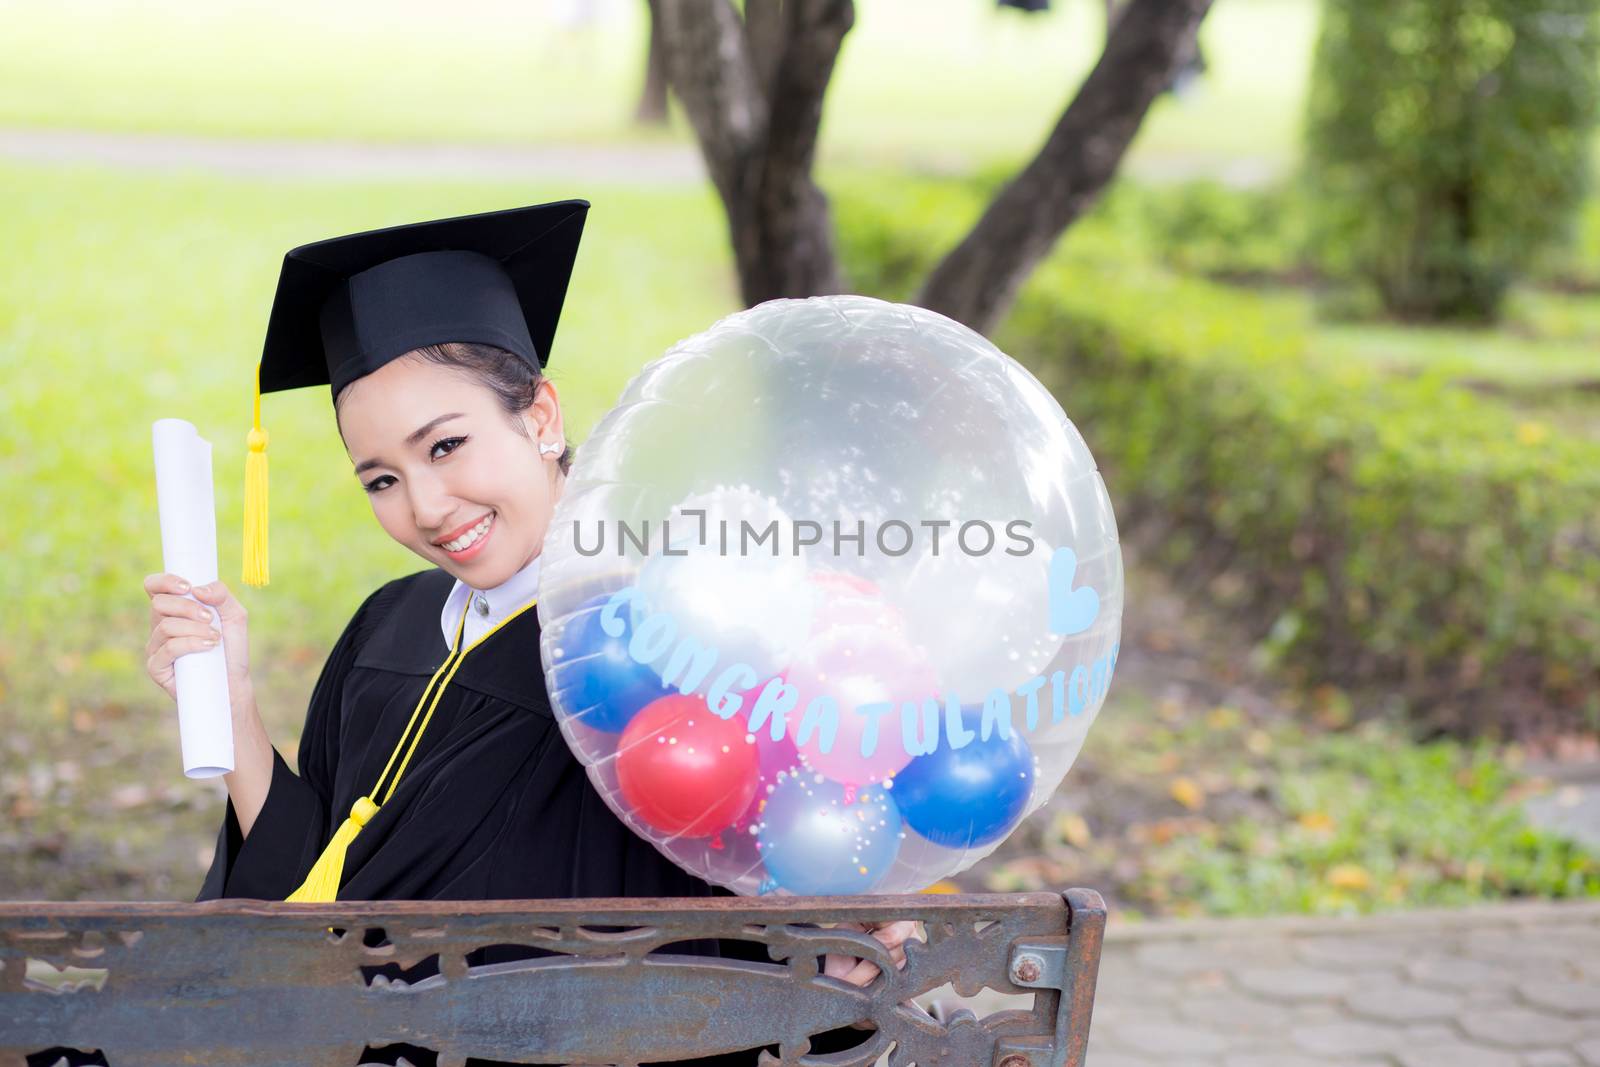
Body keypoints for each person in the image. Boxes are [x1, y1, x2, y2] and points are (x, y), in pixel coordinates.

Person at [140, 202, 918, 1066]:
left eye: (446, 446)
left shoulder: (660, 641)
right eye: (382, 478)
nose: (425, 508)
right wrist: (233, 701)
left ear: (541, 415)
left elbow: (769, 927)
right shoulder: (386, 627)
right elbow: (306, 903)